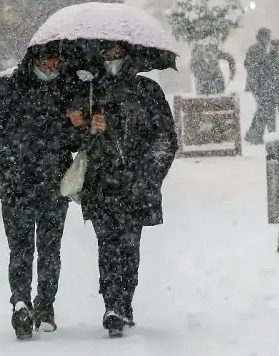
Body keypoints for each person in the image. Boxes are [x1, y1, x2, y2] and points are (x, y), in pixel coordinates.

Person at [70, 42, 178, 337]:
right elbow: (75, 140)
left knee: (129, 247)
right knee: (107, 245)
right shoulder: (91, 92)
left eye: (118, 53)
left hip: (135, 185)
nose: (112, 59)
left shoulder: (148, 91)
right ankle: (112, 304)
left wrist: (148, 174)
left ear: (129, 56)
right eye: (107, 53)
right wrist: (88, 130)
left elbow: (166, 137)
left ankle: (124, 301)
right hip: (101, 183)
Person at [0, 48, 82, 340]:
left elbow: (76, 140)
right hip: (18, 184)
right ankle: (22, 302)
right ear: (33, 60)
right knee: (22, 248)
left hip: (53, 183)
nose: (51, 67)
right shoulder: (9, 83)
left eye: (56, 62)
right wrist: (9, 162)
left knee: (50, 249)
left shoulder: (68, 85)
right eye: (46, 62)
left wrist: (75, 127)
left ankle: (45, 304)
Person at [244, 28, 272, 144]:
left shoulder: (259, 48)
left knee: (261, 109)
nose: (268, 39)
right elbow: (253, 67)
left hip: (258, 83)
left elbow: (248, 64)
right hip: (258, 84)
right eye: (267, 37)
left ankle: (252, 133)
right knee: (264, 109)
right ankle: (256, 135)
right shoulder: (258, 49)